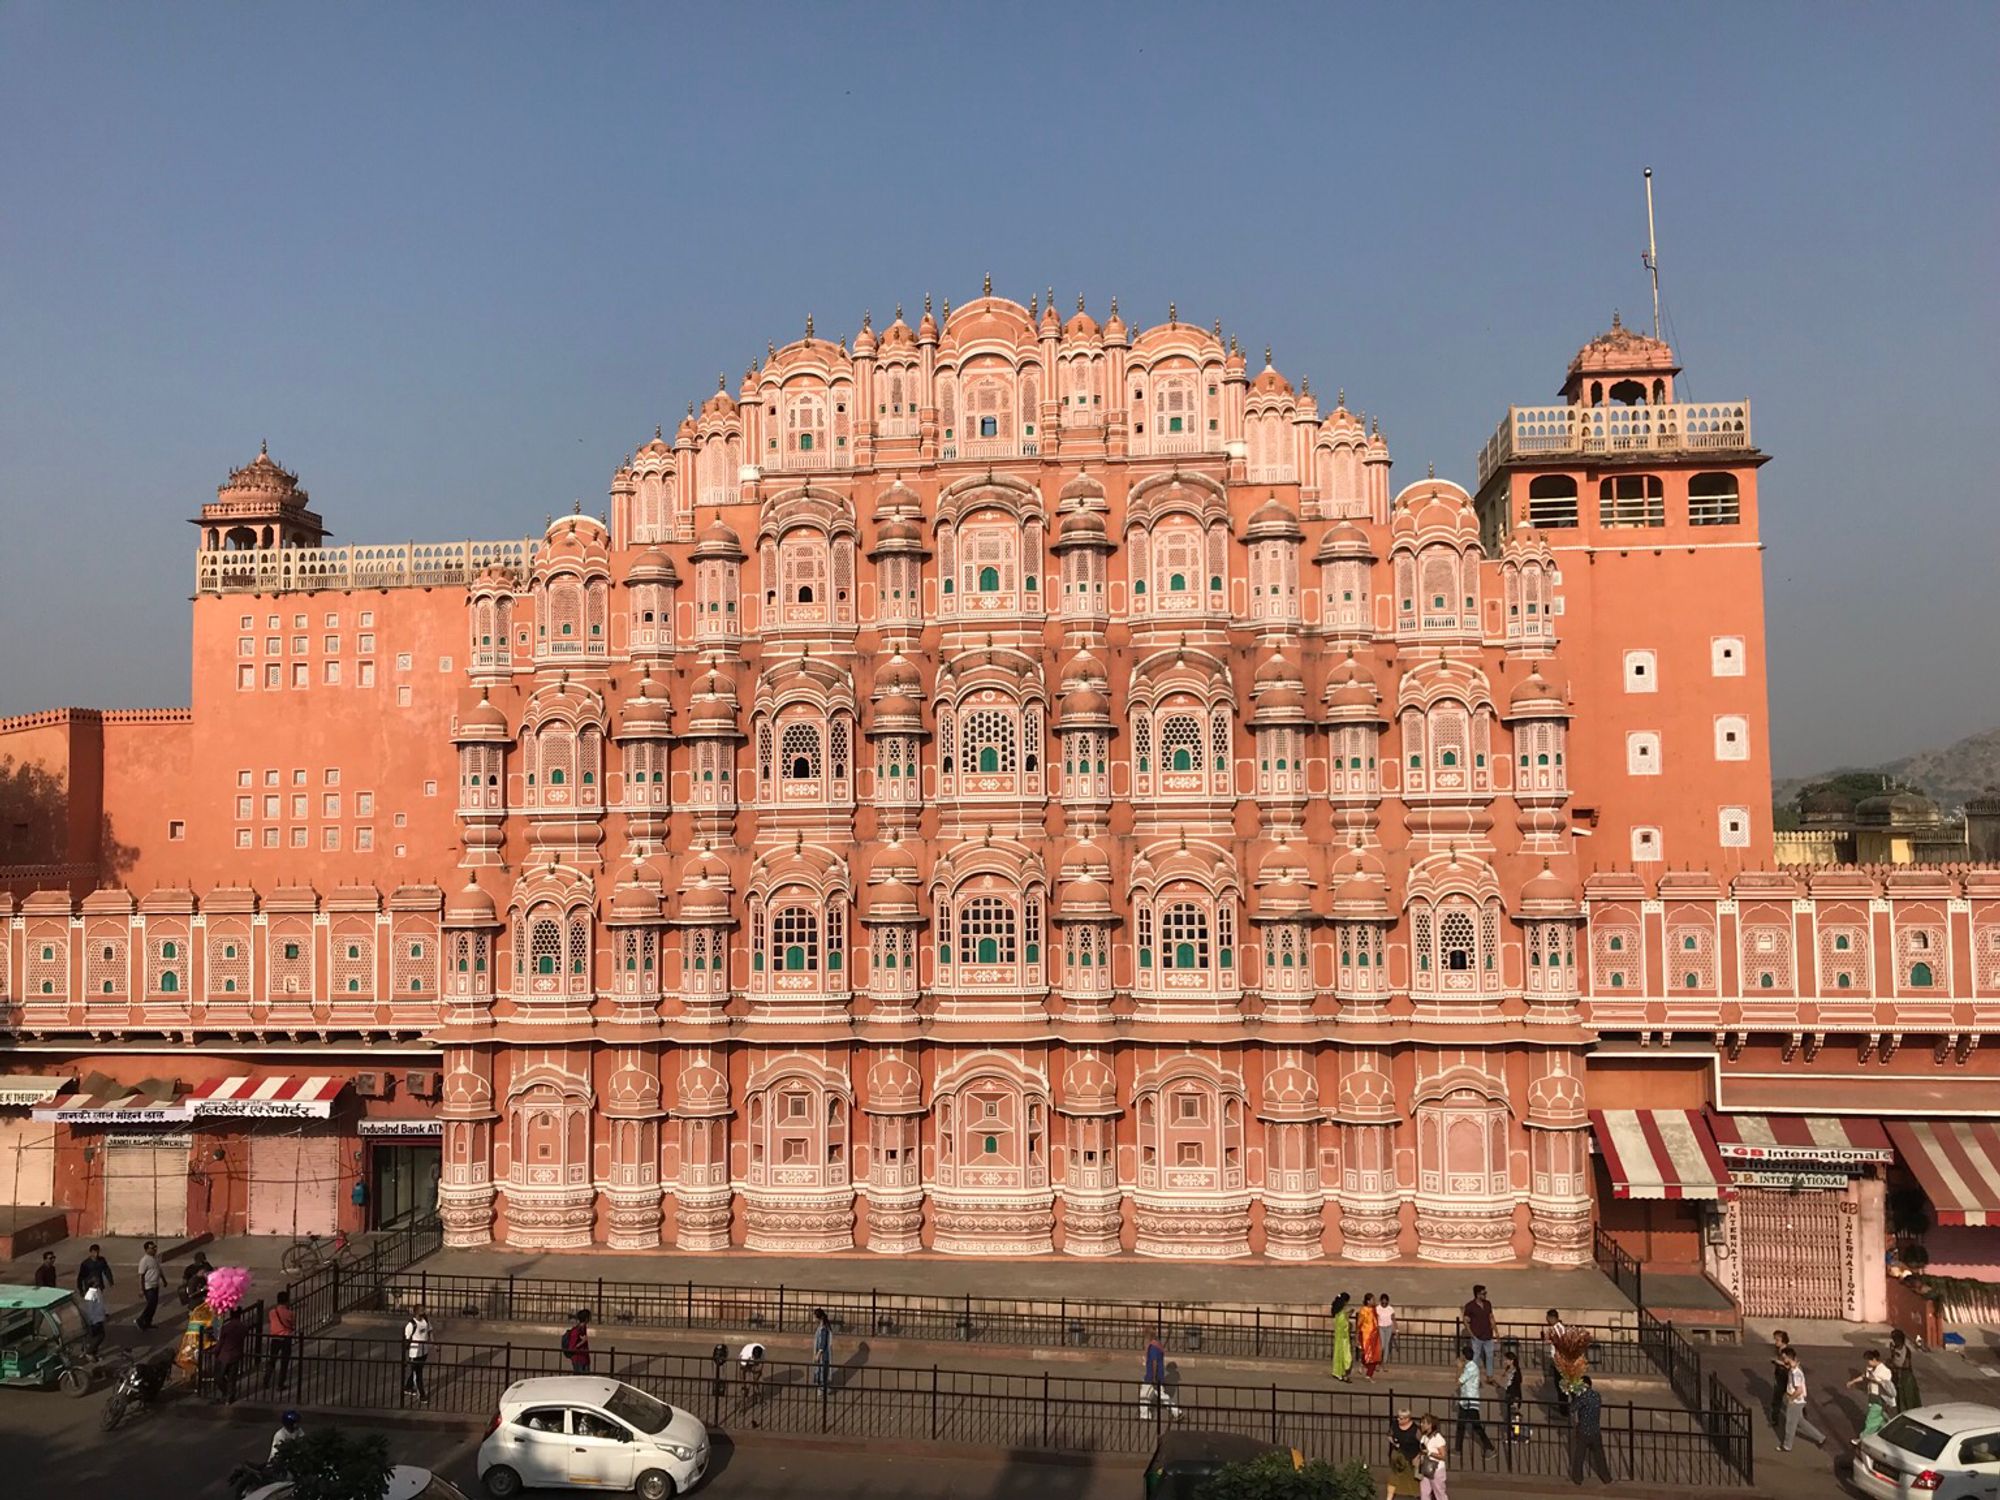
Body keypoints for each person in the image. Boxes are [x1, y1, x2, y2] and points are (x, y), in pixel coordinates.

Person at [1777, 1349, 1826, 1451]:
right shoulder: (1794, 1368)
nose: (1783, 1359)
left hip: (1795, 1401)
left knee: (1790, 1424)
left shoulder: (1796, 1373)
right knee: (1801, 1422)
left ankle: (1787, 1445)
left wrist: (1791, 1398)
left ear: (1788, 1358)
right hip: (1798, 1401)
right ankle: (1820, 1437)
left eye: (1784, 1357)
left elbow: (1799, 1390)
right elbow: (1789, 1366)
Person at [1453, 1344, 1494, 1458]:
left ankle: (1490, 1447)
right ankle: (1458, 1449)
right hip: (1465, 1401)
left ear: (1464, 1357)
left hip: (1471, 1402)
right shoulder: (1469, 1367)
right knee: (1460, 1425)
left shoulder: (1470, 1368)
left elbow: (1458, 1381)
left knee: (1477, 1426)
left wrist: (1458, 1368)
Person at [1569, 1374, 1611, 1484]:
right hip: (1596, 1430)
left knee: (1579, 1455)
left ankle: (1577, 1478)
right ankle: (1606, 1477)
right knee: (1599, 1455)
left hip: (1584, 1430)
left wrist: (1574, 1396)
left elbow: (1572, 1408)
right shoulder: (1597, 1396)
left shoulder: (1583, 1397)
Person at [1847, 1349, 1897, 1439]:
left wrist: (1874, 1379)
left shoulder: (1885, 1371)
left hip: (1880, 1398)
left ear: (1874, 1359)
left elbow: (1886, 1384)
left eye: (1869, 1360)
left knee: (1871, 1419)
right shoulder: (1870, 1368)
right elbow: (1864, 1376)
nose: (1868, 1363)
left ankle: (1864, 1438)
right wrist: (1853, 1381)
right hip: (1872, 1396)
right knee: (1881, 1419)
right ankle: (1886, 1435)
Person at [1385, 1407, 1422, 1499]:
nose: (1398, 1419)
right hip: (1397, 1458)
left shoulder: (1415, 1430)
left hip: (1411, 1459)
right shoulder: (1395, 1425)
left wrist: (1418, 1457)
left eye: (1401, 1418)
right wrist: (1394, 1443)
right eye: (1398, 1417)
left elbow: (1423, 1445)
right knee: (1393, 1479)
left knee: (1412, 1483)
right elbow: (1389, 1435)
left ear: (1407, 1419)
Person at [213, 1306, 247, 1405]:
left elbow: (220, 1343)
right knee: (232, 1378)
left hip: (225, 1356)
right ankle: (229, 1397)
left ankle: (227, 1393)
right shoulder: (243, 1327)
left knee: (218, 1377)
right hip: (236, 1355)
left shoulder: (226, 1327)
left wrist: (216, 1351)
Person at [1461, 1284, 1496, 1379]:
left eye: (1485, 1293)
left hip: (1488, 1335)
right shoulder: (1470, 1306)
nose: (1485, 1295)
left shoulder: (1488, 1304)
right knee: (1475, 1358)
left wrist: (1496, 1331)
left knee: (1490, 1356)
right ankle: (1474, 1377)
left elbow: (1491, 1317)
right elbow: (1465, 1320)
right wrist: (1471, 1333)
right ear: (1477, 1294)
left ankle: (1489, 1376)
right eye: (1483, 1293)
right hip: (1477, 1336)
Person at [265, 1290, 297, 1392]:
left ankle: (266, 1380)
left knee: (272, 1359)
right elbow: (292, 1325)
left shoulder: (272, 1312)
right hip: (286, 1338)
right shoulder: (290, 1313)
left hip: (275, 1338)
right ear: (287, 1301)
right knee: (284, 1362)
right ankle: (280, 1384)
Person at [402, 1305, 432, 1404]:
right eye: (421, 1310)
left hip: (424, 1351)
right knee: (418, 1375)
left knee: (417, 1371)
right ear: (416, 1312)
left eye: (424, 1310)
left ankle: (408, 1387)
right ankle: (422, 1395)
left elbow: (430, 1332)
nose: (423, 1311)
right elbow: (406, 1339)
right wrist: (405, 1355)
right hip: (415, 1353)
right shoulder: (411, 1324)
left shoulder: (425, 1321)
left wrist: (434, 1344)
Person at [1417, 1412, 1449, 1500]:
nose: (1421, 1425)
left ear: (1430, 1425)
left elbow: (1443, 1456)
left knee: (1439, 1493)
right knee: (1424, 1493)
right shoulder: (1424, 1437)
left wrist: (1430, 1453)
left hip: (1436, 1469)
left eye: (1424, 1423)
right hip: (1425, 1468)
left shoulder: (1438, 1438)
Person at [1546, 1308, 1571, 1417]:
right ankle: (1562, 1406)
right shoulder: (1557, 1328)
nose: (1547, 1321)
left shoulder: (1558, 1329)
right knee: (1559, 1385)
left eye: (1548, 1319)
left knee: (1561, 1384)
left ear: (1553, 1318)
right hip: (1559, 1360)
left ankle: (1564, 1409)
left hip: (1560, 1361)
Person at [1887, 1329, 1921, 1412]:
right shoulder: (1894, 1349)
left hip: (1906, 1379)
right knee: (1900, 1401)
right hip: (1898, 1379)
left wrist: (1893, 1365)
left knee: (1908, 1401)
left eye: (1895, 1340)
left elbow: (1906, 1365)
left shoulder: (1906, 1351)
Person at [1497, 1343, 1524, 1445]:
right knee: (1510, 1417)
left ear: (1511, 1360)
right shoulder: (1509, 1369)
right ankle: (1512, 1435)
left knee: (1515, 1418)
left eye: (1507, 1360)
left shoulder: (1515, 1372)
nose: (1505, 1361)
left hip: (1515, 1396)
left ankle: (1515, 1436)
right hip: (1509, 1394)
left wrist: (1515, 1398)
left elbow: (1517, 1384)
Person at [1766, 1329, 1792, 1434]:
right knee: (1777, 1397)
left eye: (1777, 1340)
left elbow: (1790, 1365)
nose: (1775, 1342)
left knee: (1787, 1397)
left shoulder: (1787, 1352)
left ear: (1783, 1341)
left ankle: (1800, 1415)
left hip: (1786, 1377)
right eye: (1775, 1340)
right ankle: (1775, 1418)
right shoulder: (1778, 1350)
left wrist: (1778, 1362)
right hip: (1780, 1376)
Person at [737, 1341, 767, 1428]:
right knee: (744, 1388)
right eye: (754, 1357)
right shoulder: (746, 1353)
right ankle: (742, 1407)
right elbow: (742, 1369)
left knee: (755, 1383)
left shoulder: (763, 1352)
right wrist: (745, 1384)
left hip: (755, 1365)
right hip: (744, 1363)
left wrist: (755, 1379)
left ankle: (759, 1397)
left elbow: (760, 1366)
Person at [137, 1241, 164, 1330]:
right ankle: (141, 1319)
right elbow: (141, 1275)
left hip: (155, 1285)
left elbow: (159, 1270)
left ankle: (148, 1322)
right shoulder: (144, 1260)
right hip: (148, 1286)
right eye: (152, 1248)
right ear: (147, 1249)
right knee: (151, 1304)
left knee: (154, 1305)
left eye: (155, 1248)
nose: (154, 1250)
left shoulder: (155, 1259)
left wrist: (164, 1280)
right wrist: (141, 1289)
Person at [79, 1275, 108, 1357]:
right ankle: (90, 1350)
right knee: (100, 1336)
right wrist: (90, 1320)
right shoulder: (90, 1294)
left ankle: (93, 1351)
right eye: (96, 1281)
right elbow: (89, 1309)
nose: (98, 1282)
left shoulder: (97, 1291)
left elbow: (101, 1304)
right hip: (95, 1319)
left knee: (96, 1336)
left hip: (99, 1317)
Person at [1330, 1292, 1354, 1381]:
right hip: (1343, 1339)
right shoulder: (1341, 1315)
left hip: (1339, 1338)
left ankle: (1339, 1373)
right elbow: (1344, 1325)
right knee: (1346, 1357)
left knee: (1339, 1356)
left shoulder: (1338, 1313)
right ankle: (1343, 1374)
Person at [1358, 1293, 1383, 1380]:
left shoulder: (1374, 1309)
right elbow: (1359, 1324)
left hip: (1375, 1335)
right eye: (1372, 1300)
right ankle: (1365, 1366)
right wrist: (1358, 1335)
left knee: (1375, 1354)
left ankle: (1369, 1374)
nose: (1374, 1301)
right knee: (1368, 1354)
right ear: (1368, 1301)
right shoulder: (1363, 1310)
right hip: (1366, 1335)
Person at [561, 1309, 591, 1373]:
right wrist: (582, 1342)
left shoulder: (583, 1328)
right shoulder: (576, 1331)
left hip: (584, 1358)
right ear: (586, 1319)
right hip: (578, 1360)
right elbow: (571, 1348)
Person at [811, 1307, 832, 1391]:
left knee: (822, 1370)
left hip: (823, 1355)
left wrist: (818, 1354)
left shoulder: (823, 1328)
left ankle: (823, 1387)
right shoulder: (822, 1327)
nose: (813, 1318)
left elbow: (823, 1343)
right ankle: (823, 1386)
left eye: (814, 1317)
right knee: (822, 1370)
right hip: (822, 1354)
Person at [1377, 1294, 1396, 1365]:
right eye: (1383, 1303)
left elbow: (1393, 1319)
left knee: (1387, 1344)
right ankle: (1379, 1360)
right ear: (1380, 1301)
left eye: (1385, 1303)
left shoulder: (1390, 1309)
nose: (1384, 1304)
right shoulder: (1377, 1308)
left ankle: (1384, 1361)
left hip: (1389, 1327)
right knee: (1382, 1345)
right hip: (1380, 1327)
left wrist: (1396, 1329)